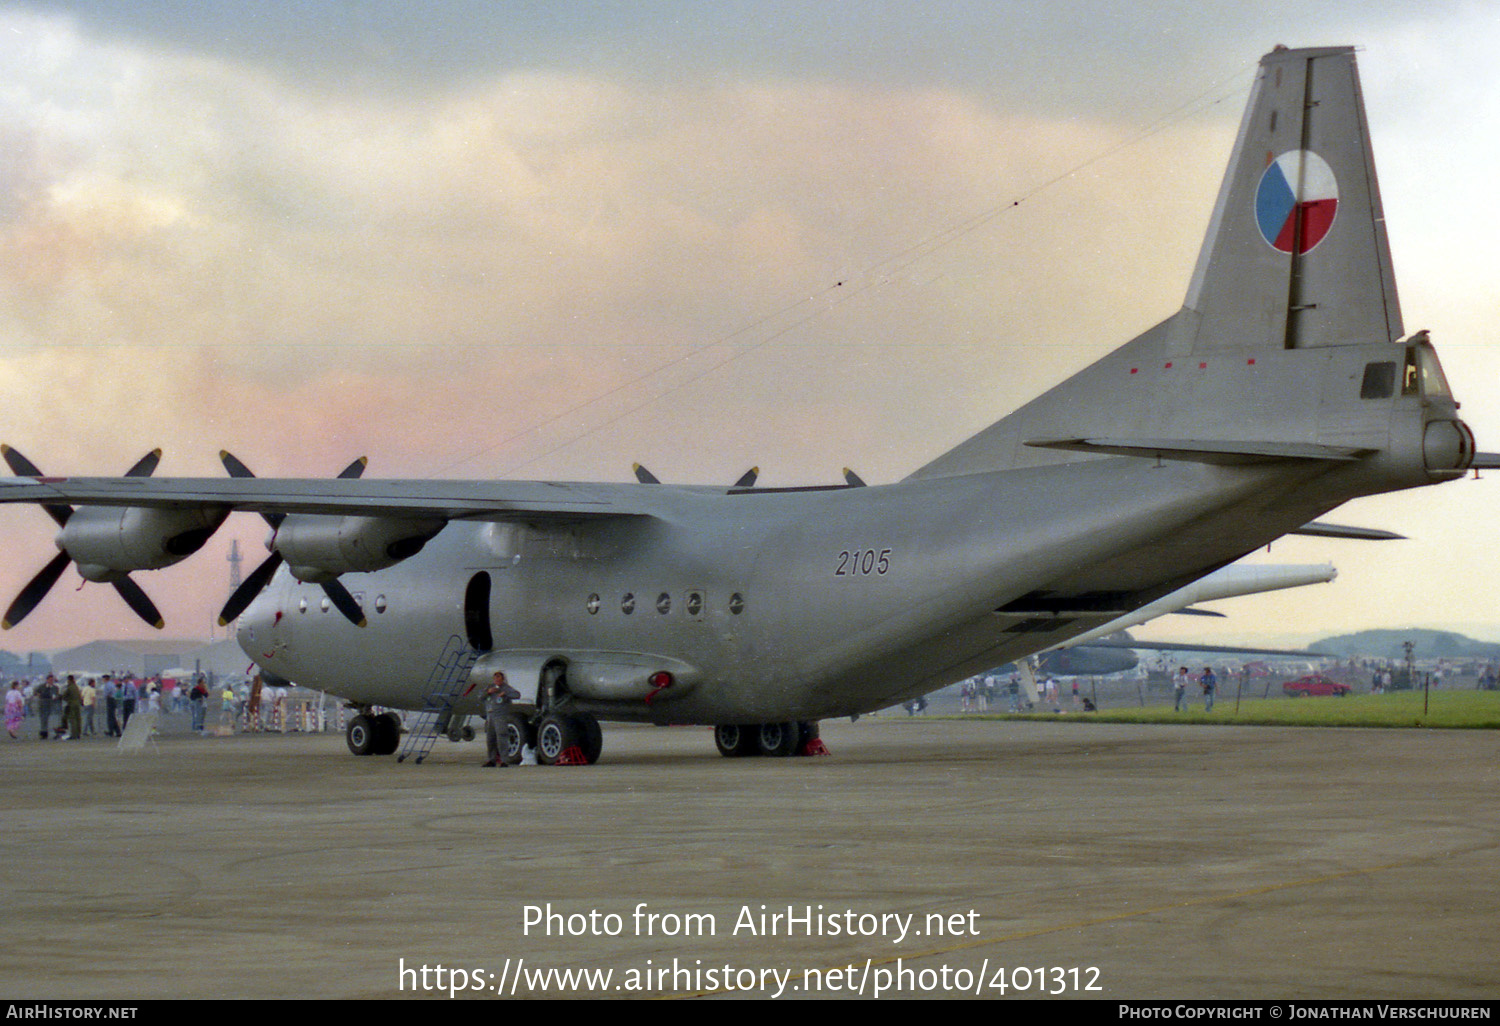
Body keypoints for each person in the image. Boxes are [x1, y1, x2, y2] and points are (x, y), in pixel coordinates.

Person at [482, 671, 521, 767]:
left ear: (502, 680)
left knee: (501, 738)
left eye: (499, 679)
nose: (497, 681)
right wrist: (488, 692)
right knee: (490, 739)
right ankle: (491, 759)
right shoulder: (490, 687)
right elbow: (480, 697)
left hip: (500, 716)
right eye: (495, 679)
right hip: (490, 715)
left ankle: (504, 760)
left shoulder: (506, 688)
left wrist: (505, 693)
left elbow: (517, 695)